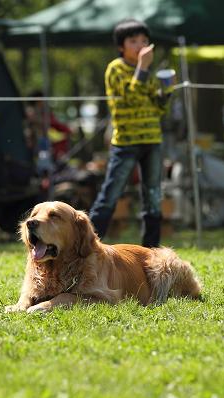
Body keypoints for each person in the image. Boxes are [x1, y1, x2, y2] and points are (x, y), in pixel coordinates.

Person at [88, 19, 171, 247]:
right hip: (125, 143)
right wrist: (143, 68)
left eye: (144, 41)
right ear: (121, 47)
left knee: (153, 197)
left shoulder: (149, 74)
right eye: (133, 41)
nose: (140, 45)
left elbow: (158, 109)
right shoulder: (116, 69)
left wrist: (166, 93)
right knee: (110, 196)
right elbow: (130, 99)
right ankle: (87, 247)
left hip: (152, 141)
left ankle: (151, 251)